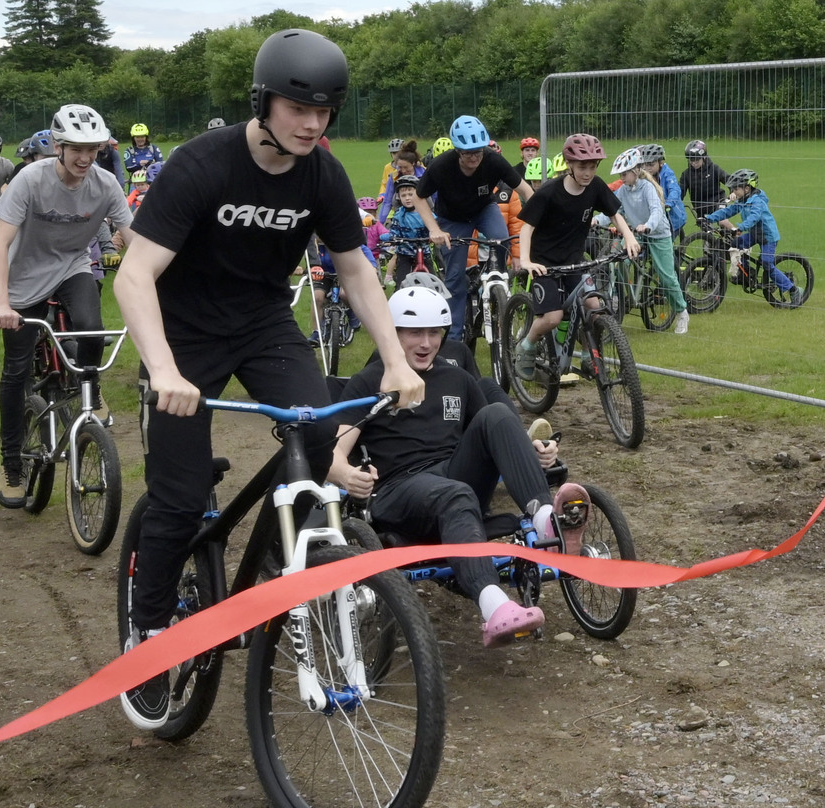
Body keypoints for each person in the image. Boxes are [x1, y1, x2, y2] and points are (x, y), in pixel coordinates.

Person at [112, 28, 423, 730]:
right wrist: (162, 367)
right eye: (296, 107)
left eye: (324, 111)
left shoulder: (322, 175)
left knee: (320, 444)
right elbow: (134, 274)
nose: (311, 123)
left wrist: (397, 360)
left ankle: (307, 575)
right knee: (178, 495)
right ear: (262, 100)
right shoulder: (201, 165)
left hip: (262, 323)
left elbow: (355, 269)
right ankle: (150, 635)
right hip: (183, 331)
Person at [329, 285, 586, 646]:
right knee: (456, 494)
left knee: (497, 413)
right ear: (393, 333)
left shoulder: (457, 379)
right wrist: (346, 475)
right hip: (399, 489)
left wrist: (534, 451)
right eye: (415, 332)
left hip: (452, 474)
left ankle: (546, 518)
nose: (426, 343)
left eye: (434, 332)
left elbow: (493, 432)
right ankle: (495, 607)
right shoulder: (368, 383)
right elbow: (333, 454)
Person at [0, 103, 134, 509]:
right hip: (24, 276)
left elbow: (133, 237)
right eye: (76, 149)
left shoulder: (105, 184)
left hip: (72, 265)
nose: (85, 158)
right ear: (58, 146)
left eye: (93, 149)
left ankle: (91, 386)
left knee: (91, 327)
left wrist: (163, 280)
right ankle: (11, 464)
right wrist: (1, 301)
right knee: (15, 372)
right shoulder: (30, 180)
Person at [513, 134, 639, 379]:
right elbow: (526, 228)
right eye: (582, 166)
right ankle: (526, 345)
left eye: (593, 167)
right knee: (552, 317)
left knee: (594, 307)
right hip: (545, 263)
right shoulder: (549, 192)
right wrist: (527, 261)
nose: (588, 173)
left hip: (574, 260)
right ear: (569, 165)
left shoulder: (595, 187)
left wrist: (629, 237)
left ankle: (591, 357)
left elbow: (614, 214)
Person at [416, 116, 533, 338]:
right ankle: (454, 337)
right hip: (452, 219)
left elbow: (526, 191)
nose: (474, 157)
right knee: (455, 279)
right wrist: (434, 229)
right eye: (468, 153)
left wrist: (536, 219)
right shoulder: (441, 166)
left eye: (478, 151)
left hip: (484, 210)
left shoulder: (493, 160)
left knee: (501, 239)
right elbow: (419, 196)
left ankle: (495, 281)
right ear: (458, 151)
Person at [604, 147, 688, 334]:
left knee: (666, 277)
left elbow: (657, 211)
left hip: (657, 234)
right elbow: (613, 210)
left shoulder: (648, 188)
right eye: (620, 174)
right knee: (616, 260)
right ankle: (617, 297)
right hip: (637, 235)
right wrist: (596, 220)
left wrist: (648, 225)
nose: (622, 178)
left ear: (635, 171)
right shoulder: (624, 190)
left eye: (624, 174)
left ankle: (682, 311)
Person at [705, 168, 801, 303]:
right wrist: (709, 218)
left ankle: (792, 289)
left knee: (767, 264)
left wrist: (740, 227)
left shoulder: (757, 201)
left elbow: (754, 218)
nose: (733, 192)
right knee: (735, 244)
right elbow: (727, 211)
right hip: (754, 234)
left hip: (768, 237)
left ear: (747, 188)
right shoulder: (742, 200)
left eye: (735, 189)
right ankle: (747, 273)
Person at [380, 174, 430, 289]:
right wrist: (391, 238)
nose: (407, 198)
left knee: (432, 280)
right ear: (399, 197)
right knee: (402, 282)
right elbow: (394, 232)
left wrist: (435, 235)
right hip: (405, 254)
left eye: (410, 194)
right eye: (404, 195)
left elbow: (434, 226)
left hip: (424, 253)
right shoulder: (399, 215)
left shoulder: (425, 212)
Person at [636, 143, 686, 242]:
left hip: (673, 217)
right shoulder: (644, 175)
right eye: (645, 164)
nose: (647, 168)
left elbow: (675, 190)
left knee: (664, 248)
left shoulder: (667, 173)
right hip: (655, 216)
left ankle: (672, 257)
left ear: (660, 162)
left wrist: (668, 204)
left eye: (651, 164)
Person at [679, 140, 729, 222]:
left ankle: (736, 233)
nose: (694, 163)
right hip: (700, 207)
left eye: (697, 160)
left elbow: (728, 179)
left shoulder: (713, 168)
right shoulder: (686, 175)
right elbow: (680, 191)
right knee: (706, 229)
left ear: (704, 157)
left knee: (722, 221)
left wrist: (734, 191)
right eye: (691, 161)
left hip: (718, 202)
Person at [375, 137, 403, 208]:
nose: (396, 155)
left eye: (399, 152)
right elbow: (384, 184)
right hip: (394, 199)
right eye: (394, 153)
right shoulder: (388, 167)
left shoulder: (411, 165)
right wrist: (382, 195)